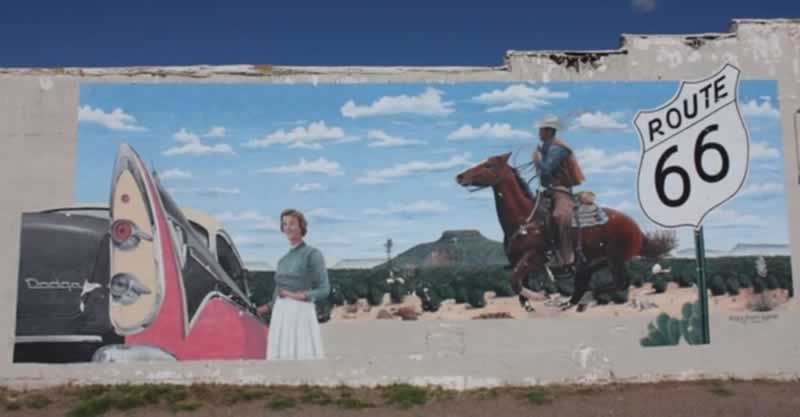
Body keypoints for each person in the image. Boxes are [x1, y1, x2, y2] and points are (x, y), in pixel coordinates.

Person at [256, 208, 330, 360]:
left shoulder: (312, 254)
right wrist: (260, 310)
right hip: (280, 315)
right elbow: (277, 295)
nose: (287, 228)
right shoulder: (282, 261)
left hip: (301, 313)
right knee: (279, 361)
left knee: (302, 360)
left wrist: (296, 295)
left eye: (292, 223)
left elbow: (324, 289)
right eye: (284, 224)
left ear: (301, 226)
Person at [531, 115, 585, 268]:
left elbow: (546, 170)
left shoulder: (557, 148)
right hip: (547, 190)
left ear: (549, 131)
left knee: (559, 216)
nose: (539, 132)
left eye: (541, 130)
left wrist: (537, 159)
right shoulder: (546, 147)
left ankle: (566, 256)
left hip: (561, 190)